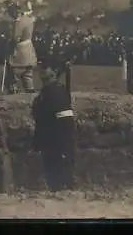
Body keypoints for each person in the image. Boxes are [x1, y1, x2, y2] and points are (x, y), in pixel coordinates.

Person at [31, 61, 76, 191]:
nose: (42, 70)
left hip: (57, 143)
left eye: (46, 67)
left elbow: (65, 122)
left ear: (55, 72)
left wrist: (65, 146)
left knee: (59, 179)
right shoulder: (47, 92)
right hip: (49, 142)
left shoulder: (57, 92)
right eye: (41, 68)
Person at [0, 0, 38, 94]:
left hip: (19, 55)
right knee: (28, 79)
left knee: (12, 80)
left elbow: (15, 38)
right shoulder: (29, 19)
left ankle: (13, 99)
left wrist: (8, 44)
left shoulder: (18, 22)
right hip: (29, 52)